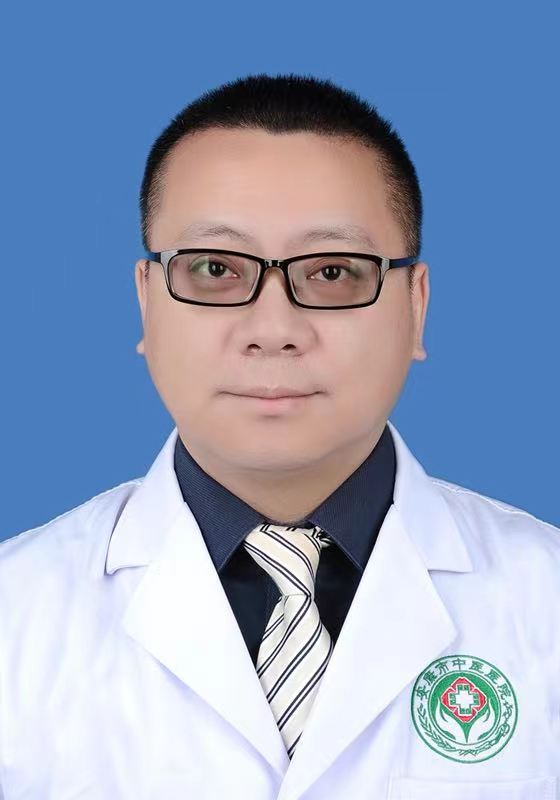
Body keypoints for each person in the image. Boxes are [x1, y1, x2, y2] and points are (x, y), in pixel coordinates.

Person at [0, 73, 558, 799]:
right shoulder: (16, 614)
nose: (272, 329)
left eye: (332, 271)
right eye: (214, 269)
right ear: (146, 301)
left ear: (416, 307)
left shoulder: (546, 600)